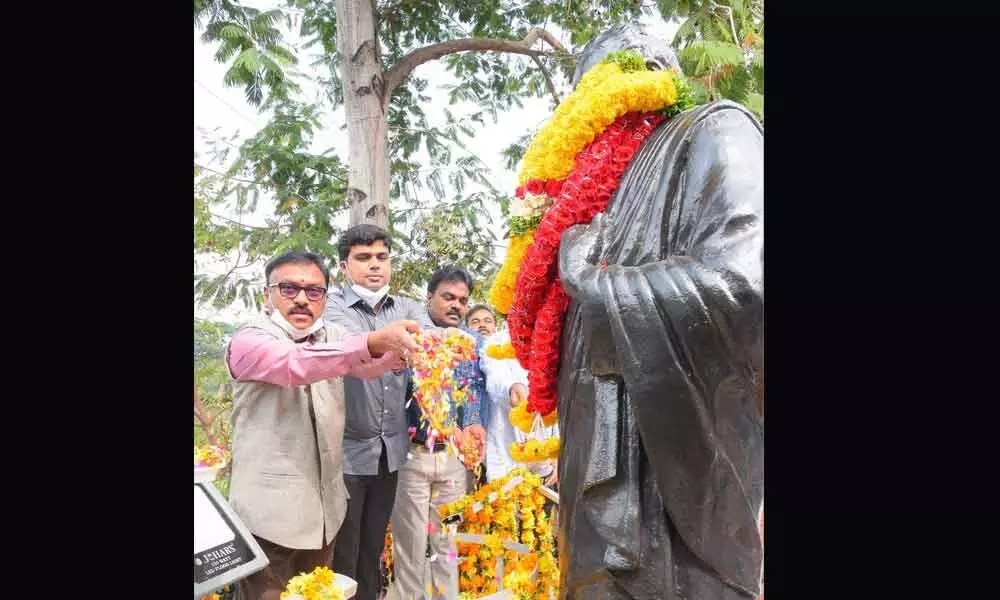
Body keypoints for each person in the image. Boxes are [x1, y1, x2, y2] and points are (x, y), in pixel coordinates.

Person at [555, 23, 764, 600]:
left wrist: (596, 285)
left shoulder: (715, 130)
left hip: (672, 480)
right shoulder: (599, 189)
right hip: (590, 469)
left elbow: (744, 284)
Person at [225, 251, 422, 600]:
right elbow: (293, 364)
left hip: (324, 516)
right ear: (266, 294)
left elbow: (364, 363)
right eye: (289, 289)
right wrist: (371, 344)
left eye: (314, 291)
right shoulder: (249, 340)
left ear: (325, 298)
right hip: (268, 520)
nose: (302, 299)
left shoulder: (332, 334)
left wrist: (404, 353)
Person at [324, 224, 437, 600]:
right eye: (363, 258)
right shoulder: (333, 307)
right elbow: (356, 345)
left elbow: (428, 344)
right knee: (344, 553)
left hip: (390, 452)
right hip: (346, 453)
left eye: (382, 257)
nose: (375, 266)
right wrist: (395, 343)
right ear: (344, 265)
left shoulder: (408, 306)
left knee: (373, 549)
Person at [388, 265, 487, 600]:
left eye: (462, 299)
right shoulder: (412, 337)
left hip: (453, 465)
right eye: (448, 297)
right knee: (411, 544)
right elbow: (416, 389)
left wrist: (473, 422)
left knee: (448, 541)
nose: (456, 305)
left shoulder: (468, 343)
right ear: (429, 297)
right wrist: (453, 426)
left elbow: (471, 387)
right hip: (412, 458)